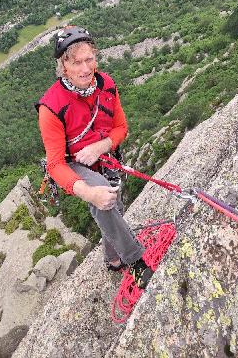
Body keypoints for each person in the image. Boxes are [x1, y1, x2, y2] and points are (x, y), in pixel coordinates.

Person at [37, 25, 154, 289]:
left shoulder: (106, 85)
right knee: (102, 195)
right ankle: (135, 261)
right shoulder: (51, 107)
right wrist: (90, 194)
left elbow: (121, 128)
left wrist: (100, 148)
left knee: (114, 206)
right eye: (76, 62)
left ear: (96, 58)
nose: (85, 68)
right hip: (71, 163)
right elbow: (55, 164)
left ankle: (113, 261)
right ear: (63, 65)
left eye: (89, 59)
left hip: (103, 156)